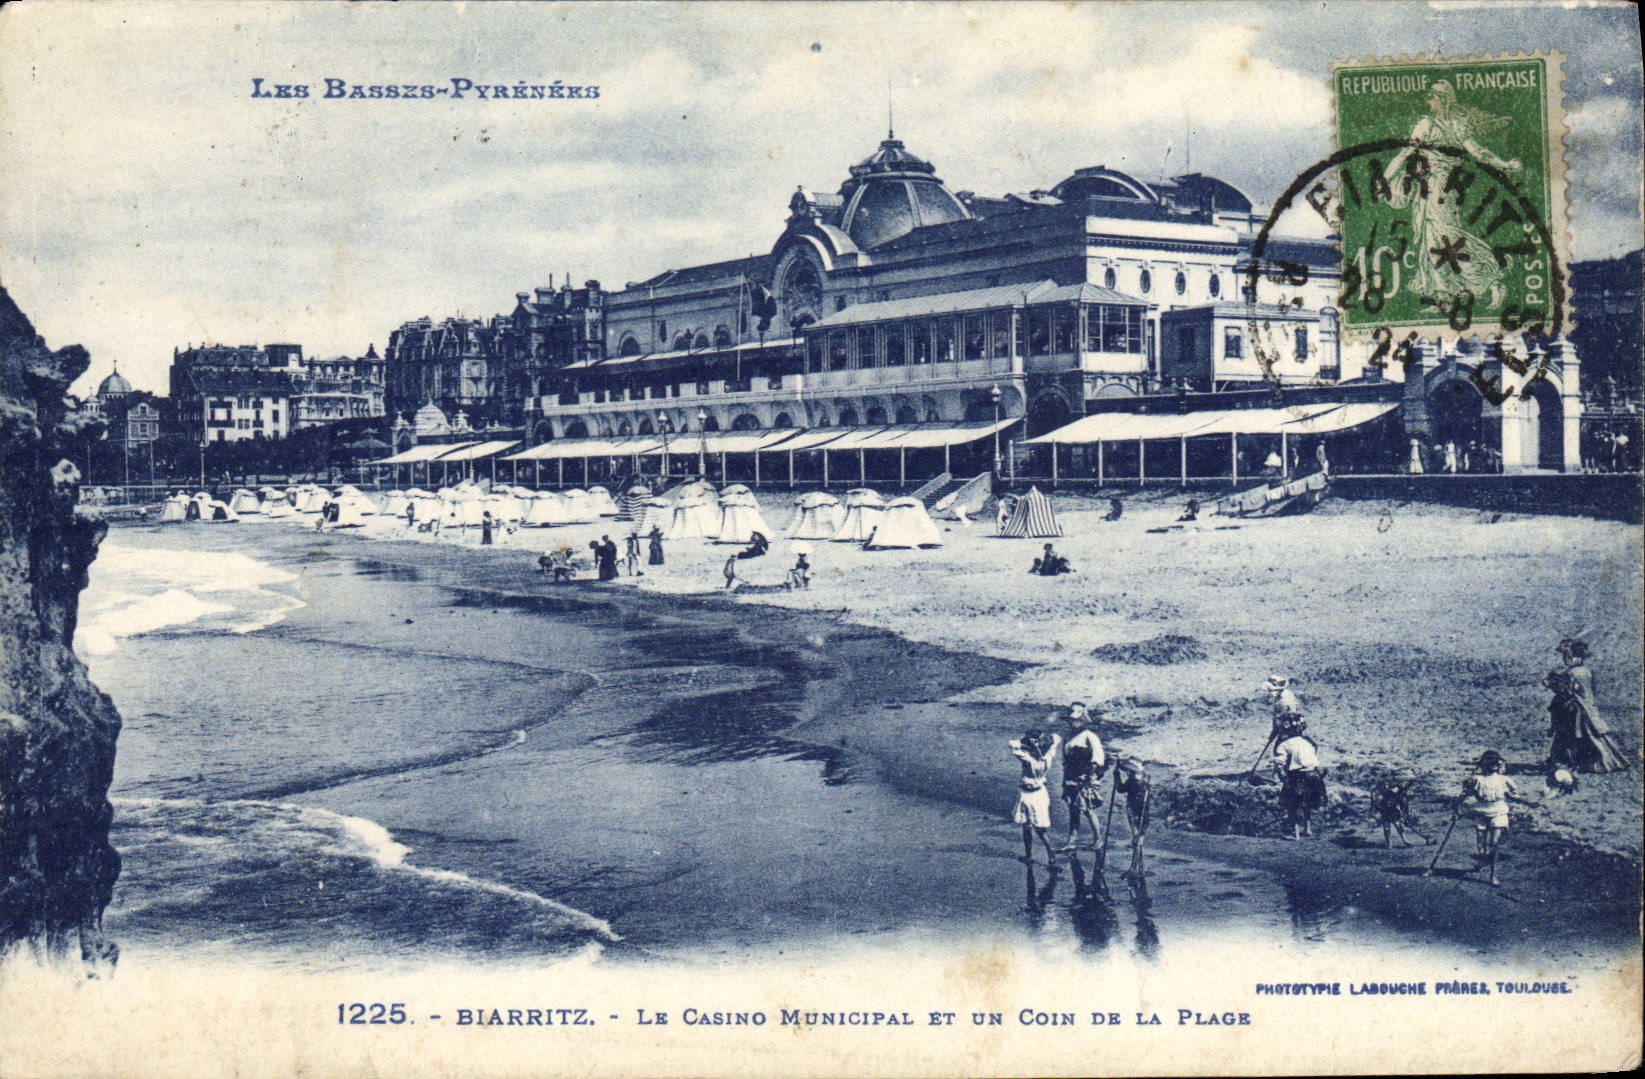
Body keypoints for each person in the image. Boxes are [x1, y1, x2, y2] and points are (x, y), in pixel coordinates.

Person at [1544, 639, 1629, 773]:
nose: (1564, 659)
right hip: (1589, 706)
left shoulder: (1571, 673)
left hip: (1576, 710)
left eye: (1566, 656)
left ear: (1572, 657)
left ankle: (1570, 762)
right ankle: (1602, 761)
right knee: (1593, 736)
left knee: (1570, 736)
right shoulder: (1587, 671)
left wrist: (1552, 684)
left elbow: (1567, 691)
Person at [1461, 750, 1532, 887]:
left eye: (1496, 762)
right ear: (1484, 764)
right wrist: (1458, 806)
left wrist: (1528, 803)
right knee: (1481, 847)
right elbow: (1465, 793)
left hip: (1499, 812)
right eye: (1490, 762)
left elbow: (1513, 796)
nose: (1494, 765)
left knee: (1494, 845)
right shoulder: (1476, 779)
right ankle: (1482, 860)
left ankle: (1493, 875)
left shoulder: (1504, 780)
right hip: (1481, 812)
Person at [1057, 703, 1106, 853]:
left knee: (1087, 808)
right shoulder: (1068, 737)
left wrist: (1088, 779)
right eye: (1071, 720)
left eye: (1076, 720)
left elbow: (1098, 759)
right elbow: (1065, 759)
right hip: (1070, 776)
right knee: (1073, 808)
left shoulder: (1090, 736)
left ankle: (1098, 839)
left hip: (1085, 777)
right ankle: (1071, 841)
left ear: (1082, 721)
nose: (1073, 723)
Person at [1009, 729, 1062, 868]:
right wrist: (1045, 741)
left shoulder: (1027, 758)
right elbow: (1056, 738)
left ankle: (1035, 855)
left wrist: (1025, 743)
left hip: (1028, 794)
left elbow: (1013, 745)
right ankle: (1045, 854)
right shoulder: (1048, 755)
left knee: (1030, 827)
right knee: (1037, 827)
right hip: (1038, 793)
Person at [1273, 717, 1325, 840]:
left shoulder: (1284, 745)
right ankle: (1308, 829)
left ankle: (1295, 833)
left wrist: (1283, 778)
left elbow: (1279, 763)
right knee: (1307, 803)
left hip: (1298, 776)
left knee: (1291, 803)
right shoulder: (1308, 743)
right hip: (1314, 775)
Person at [1111, 755, 1151, 877]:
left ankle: (1134, 868)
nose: (1129, 774)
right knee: (1138, 840)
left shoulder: (1137, 783)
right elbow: (1121, 789)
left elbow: (1120, 789)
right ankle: (1139, 867)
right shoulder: (1138, 781)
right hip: (1136, 813)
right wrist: (1117, 774)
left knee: (1137, 839)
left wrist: (1117, 775)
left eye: (1130, 772)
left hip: (1139, 814)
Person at [1371, 774, 1428, 848]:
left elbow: (1402, 804)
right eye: (1384, 784)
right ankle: (1389, 844)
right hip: (1384, 812)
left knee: (1398, 826)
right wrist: (1376, 813)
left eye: (1387, 784)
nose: (1386, 786)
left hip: (1393, 811)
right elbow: (1375, 804)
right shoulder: (1377, 792)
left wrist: (1404, 815)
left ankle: (1406, 841)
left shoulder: (1396, 792)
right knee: (1386, 827)